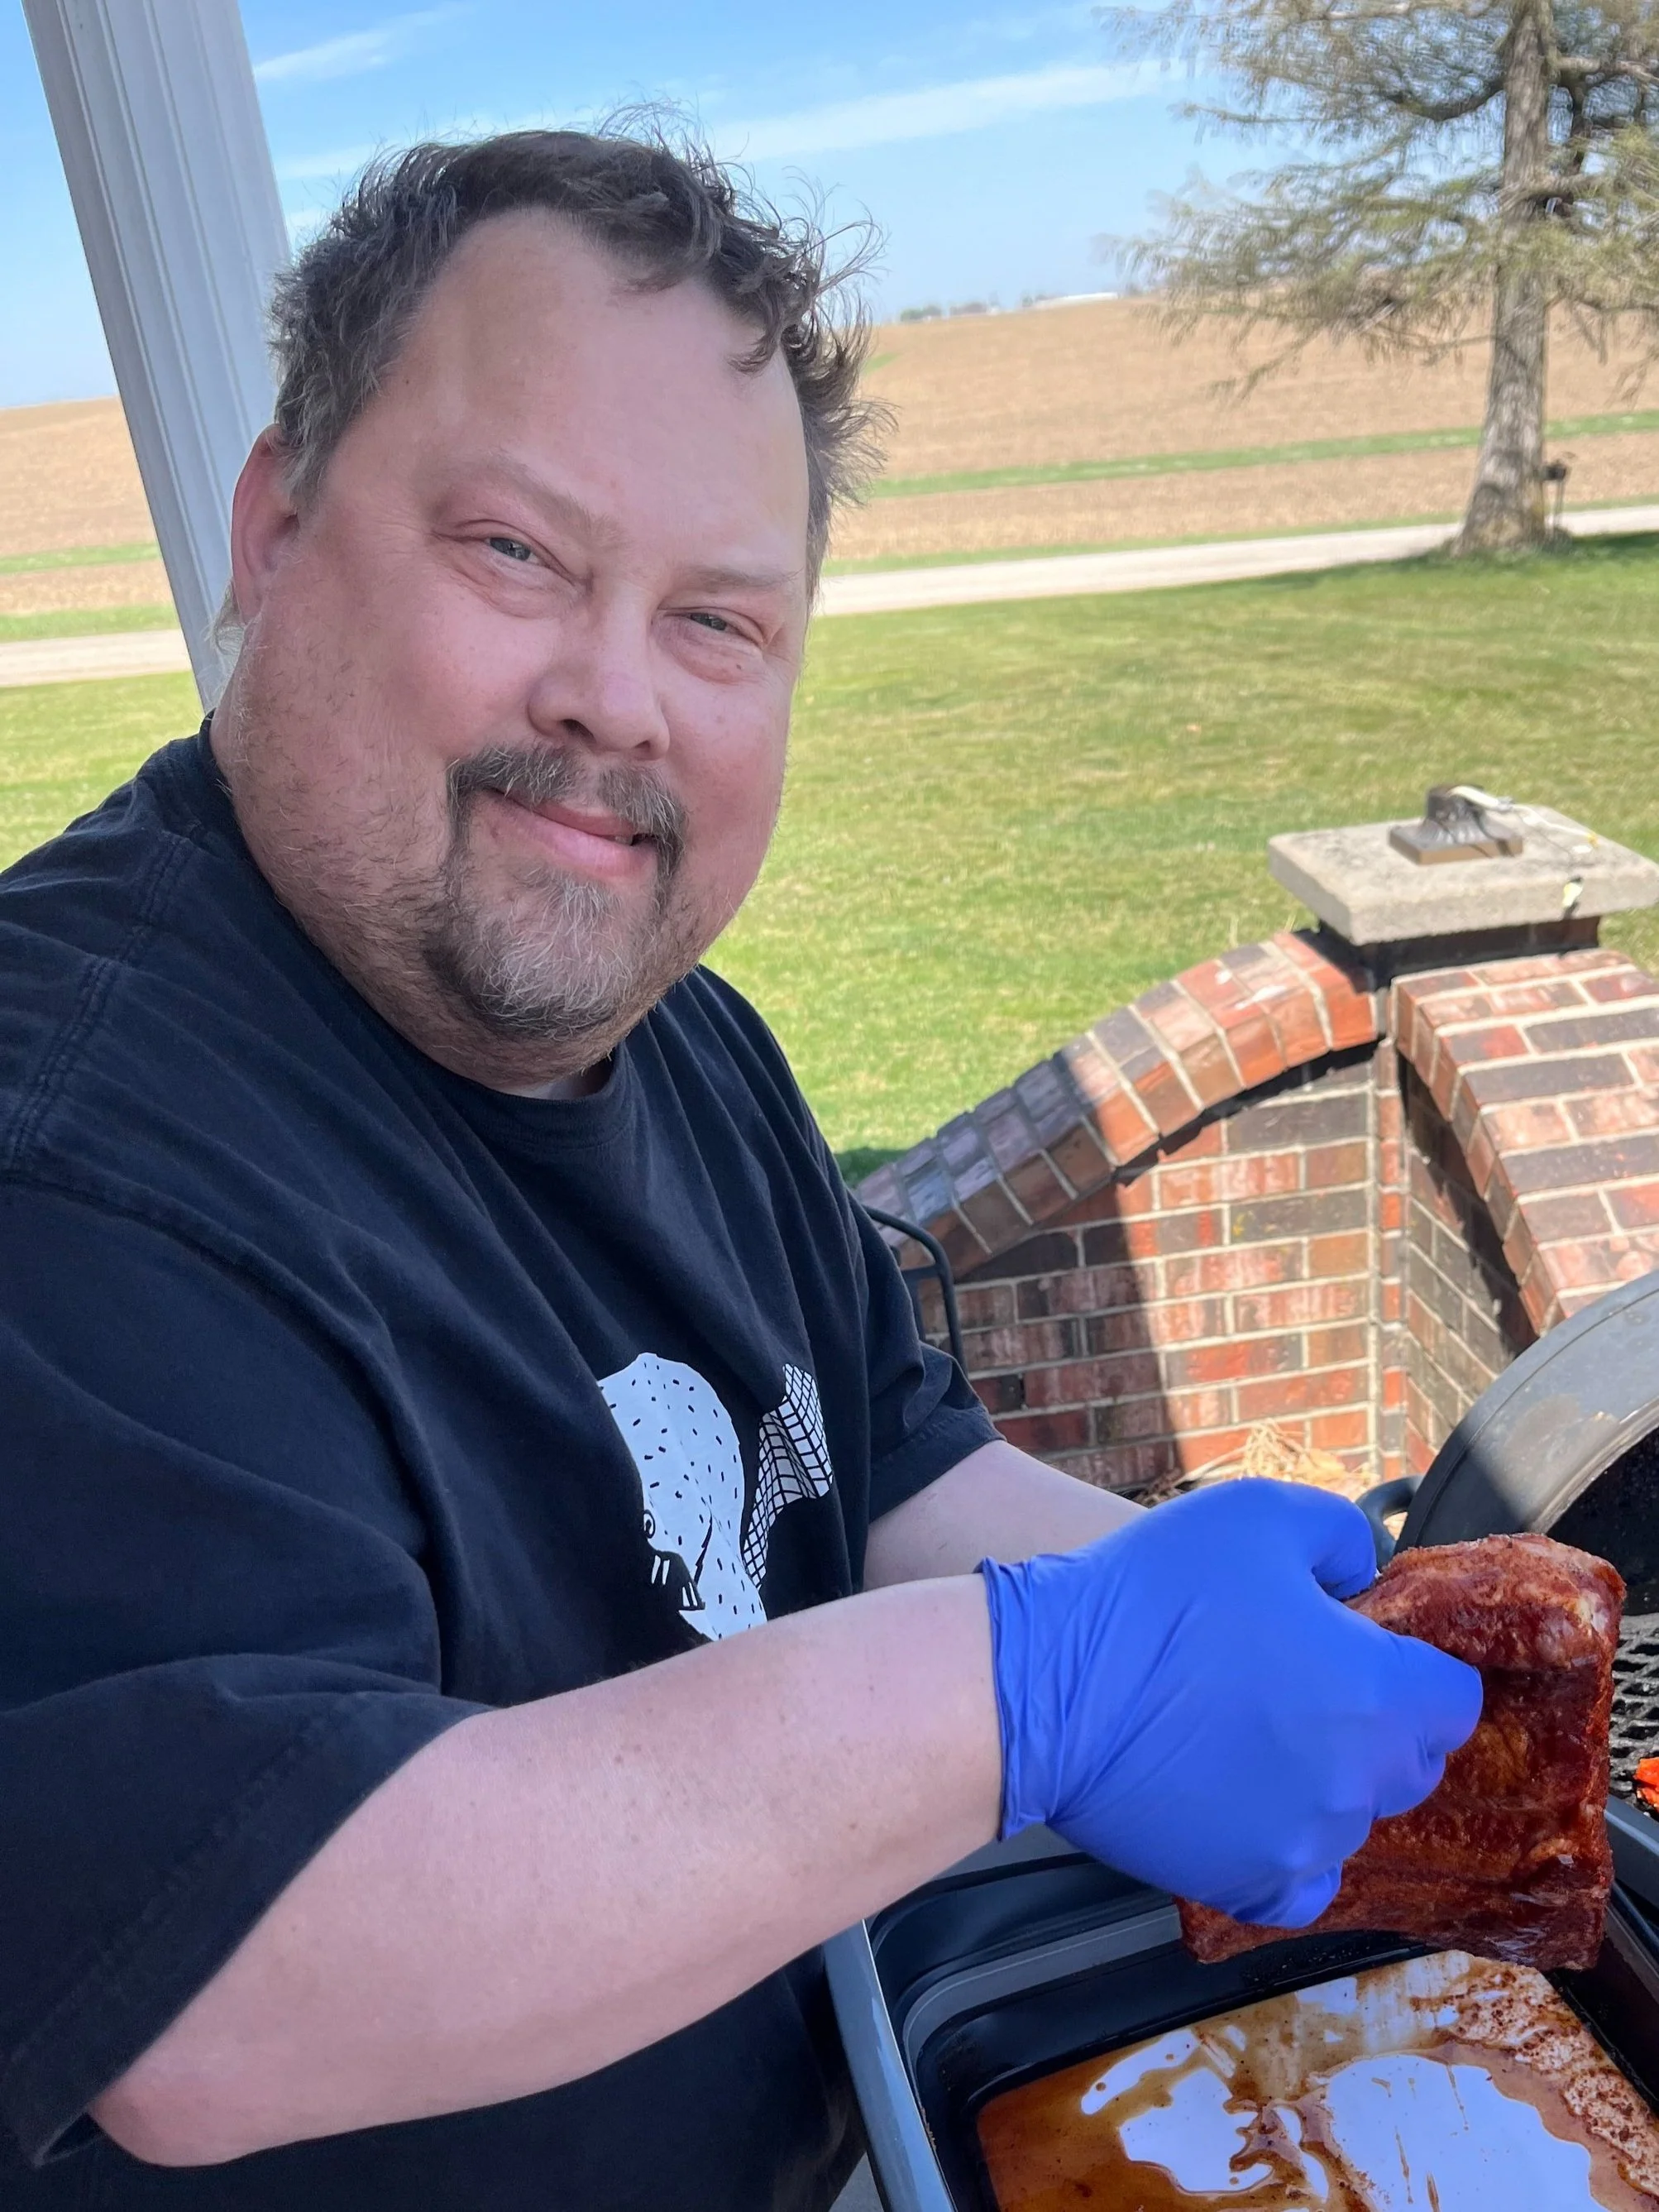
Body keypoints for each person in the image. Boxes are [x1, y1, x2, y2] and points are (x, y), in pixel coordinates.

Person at [0, 127, 1481, 2211]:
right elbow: (217, 1983)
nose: (615, 696)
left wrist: (1300, 1635)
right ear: (275, 528)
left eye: (717, 619)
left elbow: (879, 1478)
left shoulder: (673, 1036)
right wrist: (1040, 1684)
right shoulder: (70, 1143)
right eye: (516, 550)